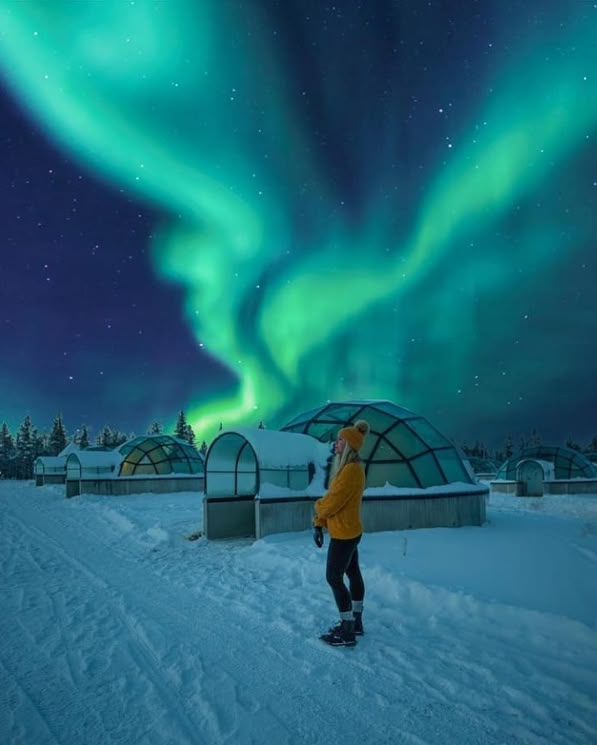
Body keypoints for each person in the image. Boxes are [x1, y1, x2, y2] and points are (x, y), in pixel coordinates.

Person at [313, 419, 370, 647]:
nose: (335, 444)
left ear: (349, 445)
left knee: (333, 577)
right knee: (353, 573)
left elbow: (331, 502)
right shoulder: (347, 469)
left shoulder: (351, 471)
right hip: (349, 530)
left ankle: (347, 631)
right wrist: (319, 523)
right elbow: (333, 501)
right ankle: (355, 622)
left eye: (340, 440)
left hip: (344, 535)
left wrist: (317, 510)